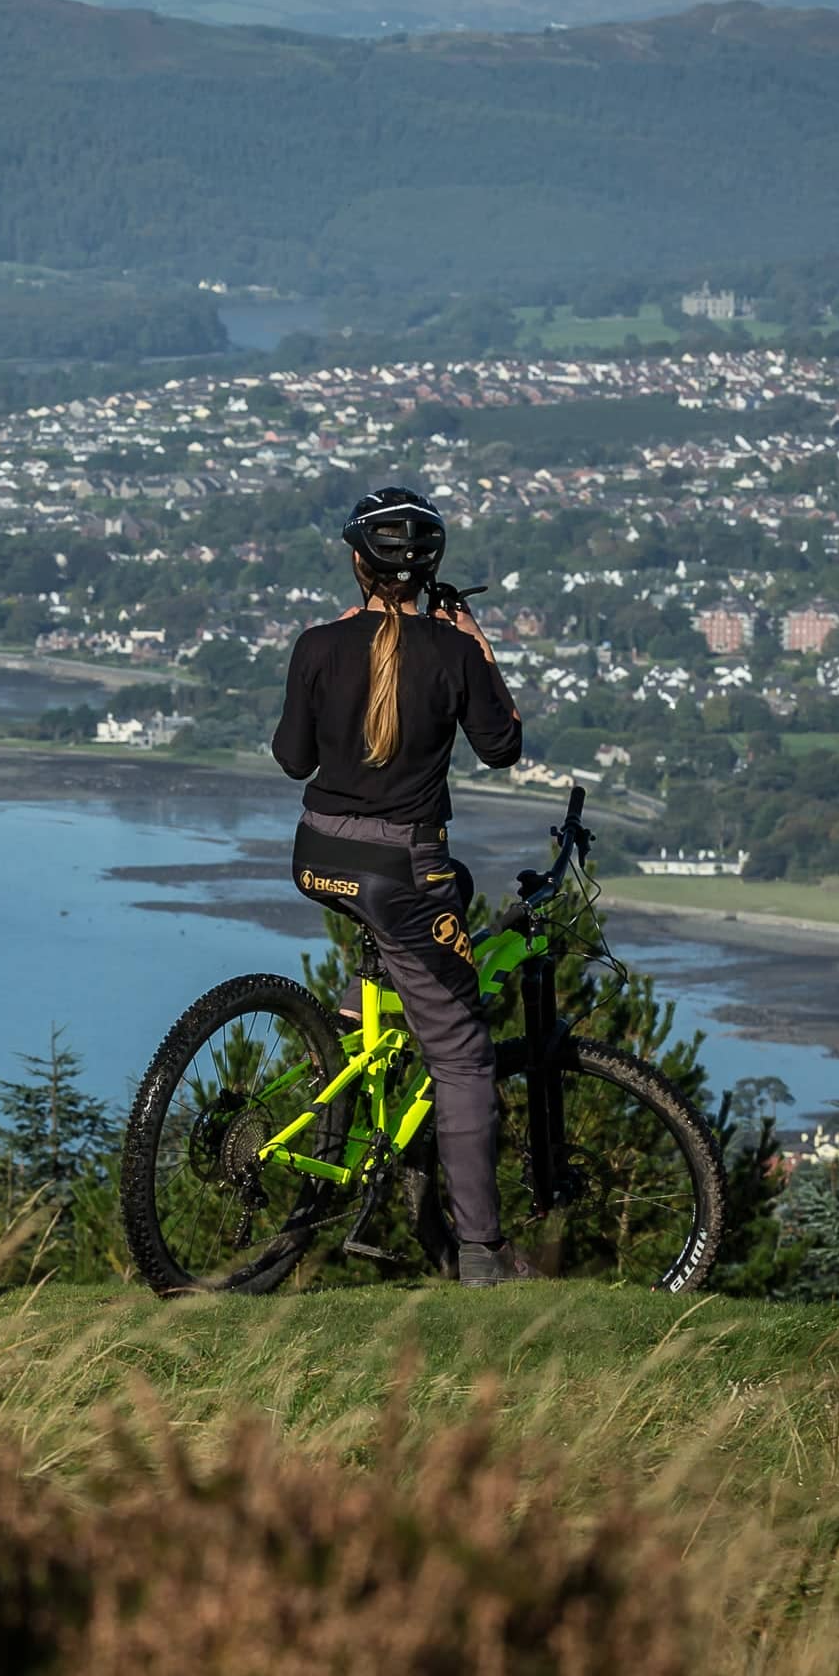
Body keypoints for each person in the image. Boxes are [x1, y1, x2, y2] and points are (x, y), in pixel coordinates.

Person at [272, 486, 531, 1285]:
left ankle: (358, 1011)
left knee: (424, 897)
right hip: (400, 865)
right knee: (462, 1055)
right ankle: (483, 1254)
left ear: (358, 562)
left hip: (319, 854)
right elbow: (502, 746)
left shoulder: (317, 645)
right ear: (431, 573)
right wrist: (475, 642)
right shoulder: (452, 653)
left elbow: (293, 760)